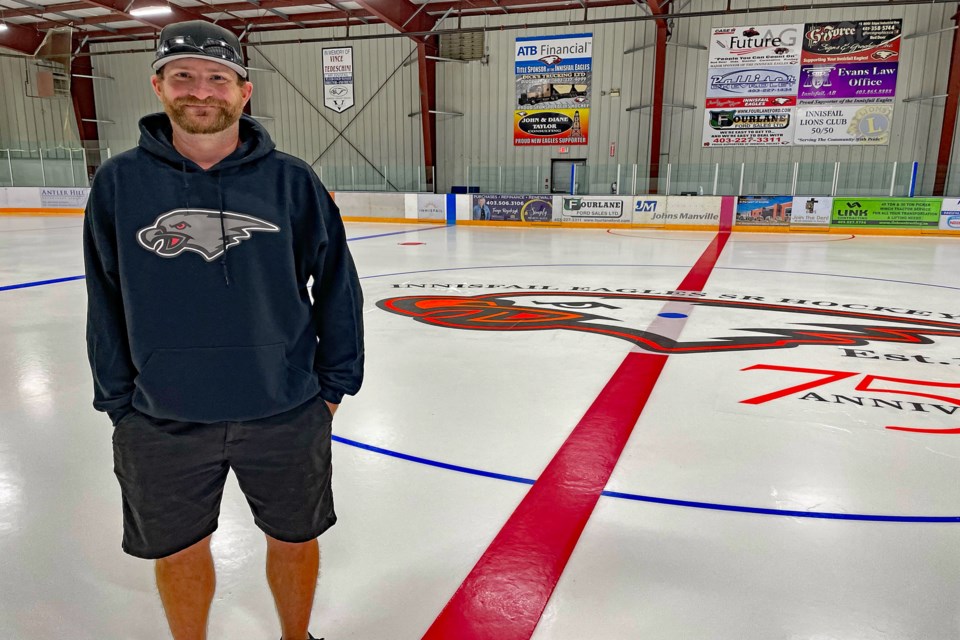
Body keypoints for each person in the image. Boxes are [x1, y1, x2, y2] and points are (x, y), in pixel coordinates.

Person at [82, 19, 363, 640]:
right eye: (183, 75)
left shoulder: (292, 182)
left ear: (244, 91)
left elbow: (337, 286)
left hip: (285, 409)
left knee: (294, 539)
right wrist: (120, 404)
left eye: (218, 77)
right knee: (179, 550)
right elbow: (103, 296)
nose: (200, 90)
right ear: (159, 85)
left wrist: (334, 387)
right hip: (161, 418)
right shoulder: (119, 183)